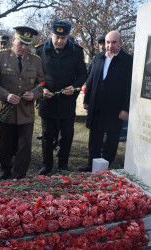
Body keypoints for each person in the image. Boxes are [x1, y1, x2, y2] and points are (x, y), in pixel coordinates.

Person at [35, 20, 87, 175]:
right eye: (56, 37)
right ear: (51, 35)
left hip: (66, 101)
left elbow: (82, 74)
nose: (59, 41)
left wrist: (74, 88)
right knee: (47, 135)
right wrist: (41, 89)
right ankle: (47, 164)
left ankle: (63, 164)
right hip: (47, 100)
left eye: (63, 38)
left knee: (67, 134)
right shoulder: (40, 51)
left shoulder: (76, 51)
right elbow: (34, 76)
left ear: (68, 37)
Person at [0, 26, 44, 180]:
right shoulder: (0, 56)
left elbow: (41, 83)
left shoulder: (35, 60)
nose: (23, 47)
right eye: (20, 43)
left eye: (27, 44)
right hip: (5, 110)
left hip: (25, 111)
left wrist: (34, 94)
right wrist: (6, 96)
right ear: (13, 40)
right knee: (5, 143)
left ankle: (19, 174)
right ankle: (5, 169)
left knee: (24, 145)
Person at [78, 30, 132, 172]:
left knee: (111, 141)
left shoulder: (128, 61)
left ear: (120, 43)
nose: (110, 45)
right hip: (96, 106)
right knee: (94, 139)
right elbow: (90, 81)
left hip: (115, 108)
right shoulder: (98, 58)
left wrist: (125, 108)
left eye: (114, 42)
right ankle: (91, 166)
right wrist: (86, 99)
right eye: (108, 42)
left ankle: (106, 168)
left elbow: (129, 86)